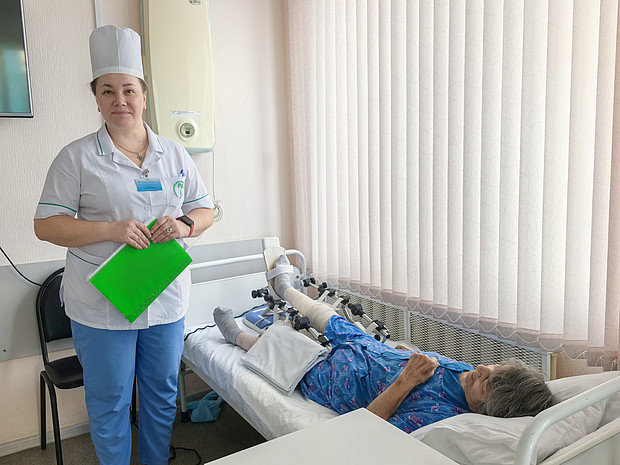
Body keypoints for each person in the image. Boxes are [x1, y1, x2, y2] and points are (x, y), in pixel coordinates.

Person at [33, 25, 214, 465]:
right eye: (108, 91)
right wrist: (110, 230)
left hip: (165, 300)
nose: (120, 101)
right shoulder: (76, 157)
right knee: (110, 400)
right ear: (96, 99)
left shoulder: (175, 154)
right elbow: (46, 226)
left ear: (144, 96)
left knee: (161, 395)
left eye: (129, 90)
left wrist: (185, 226)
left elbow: (206, 210)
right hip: (102, 306)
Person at [213, 253, 556, 433]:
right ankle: (285, 288)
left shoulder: (439, 416)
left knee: (286, 350)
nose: (481, 368)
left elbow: (371, 426)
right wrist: (405, 356)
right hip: (370, 349)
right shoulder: (468, 373)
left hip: (340, 381)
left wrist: (406, 379)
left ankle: (238, 338)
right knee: (327, 316)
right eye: (493, 368)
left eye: (486, 382)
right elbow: (433, 365)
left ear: (486, 409)